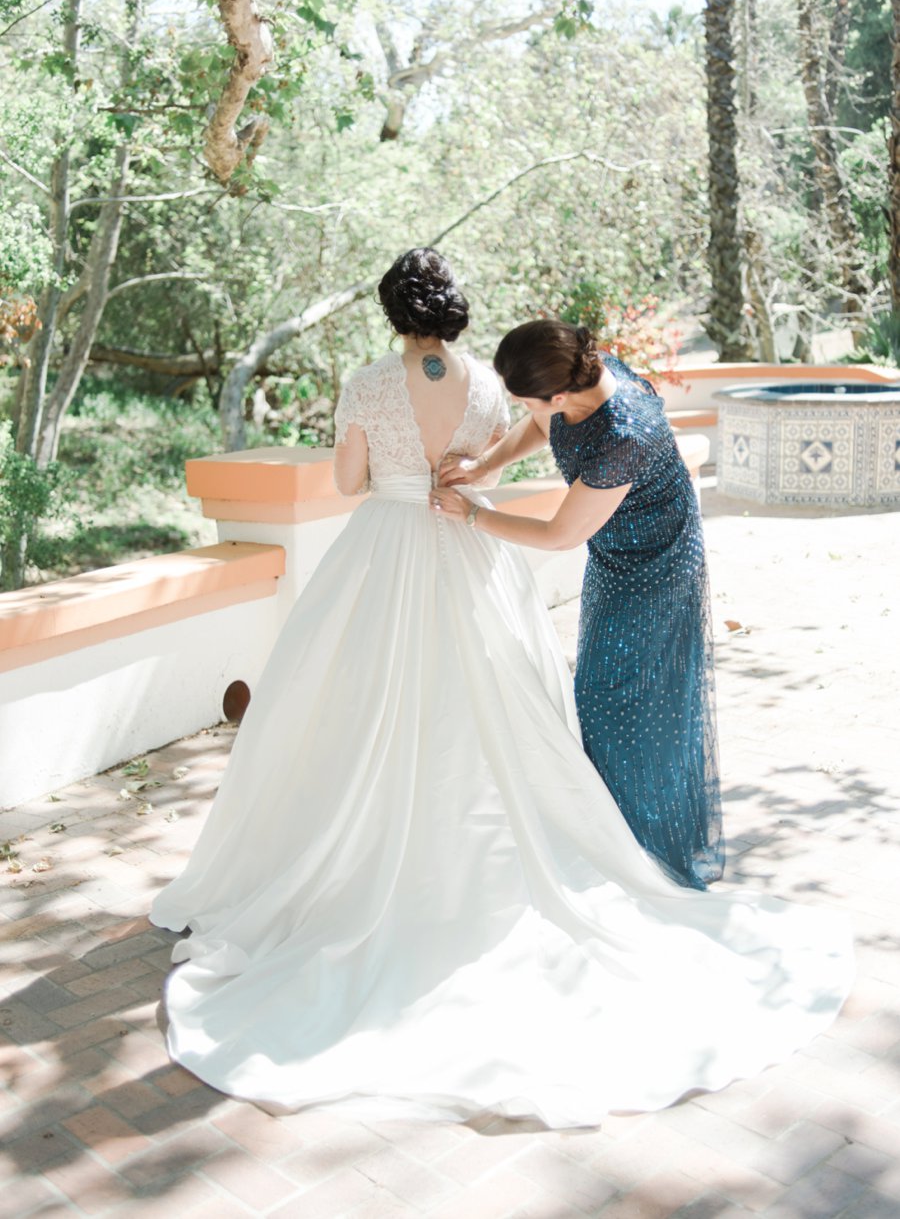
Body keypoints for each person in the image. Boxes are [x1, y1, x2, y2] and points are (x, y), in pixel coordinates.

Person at [150, 250, 852, 1127]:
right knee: (504, 703)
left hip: (421, 549)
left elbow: (351, 483)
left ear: (391, 313)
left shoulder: (378, 385)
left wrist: (453, 494)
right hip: (475, 560)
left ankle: (621, 834)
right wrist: (475, 472)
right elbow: (516, 437)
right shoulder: (496, 379)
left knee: (365, 707)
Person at [435, 320, 721, 890]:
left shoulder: (621, 435)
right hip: (616, 551)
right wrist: (488, 465)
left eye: (524, 398)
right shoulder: (576, 372)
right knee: (607, 692)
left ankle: (645, 846)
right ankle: (611, 833)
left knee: (617, 697)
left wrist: (472, 514)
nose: (521, 407)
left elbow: (559, 535)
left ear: (560, 394)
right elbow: (540, 427)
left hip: (656, 564)